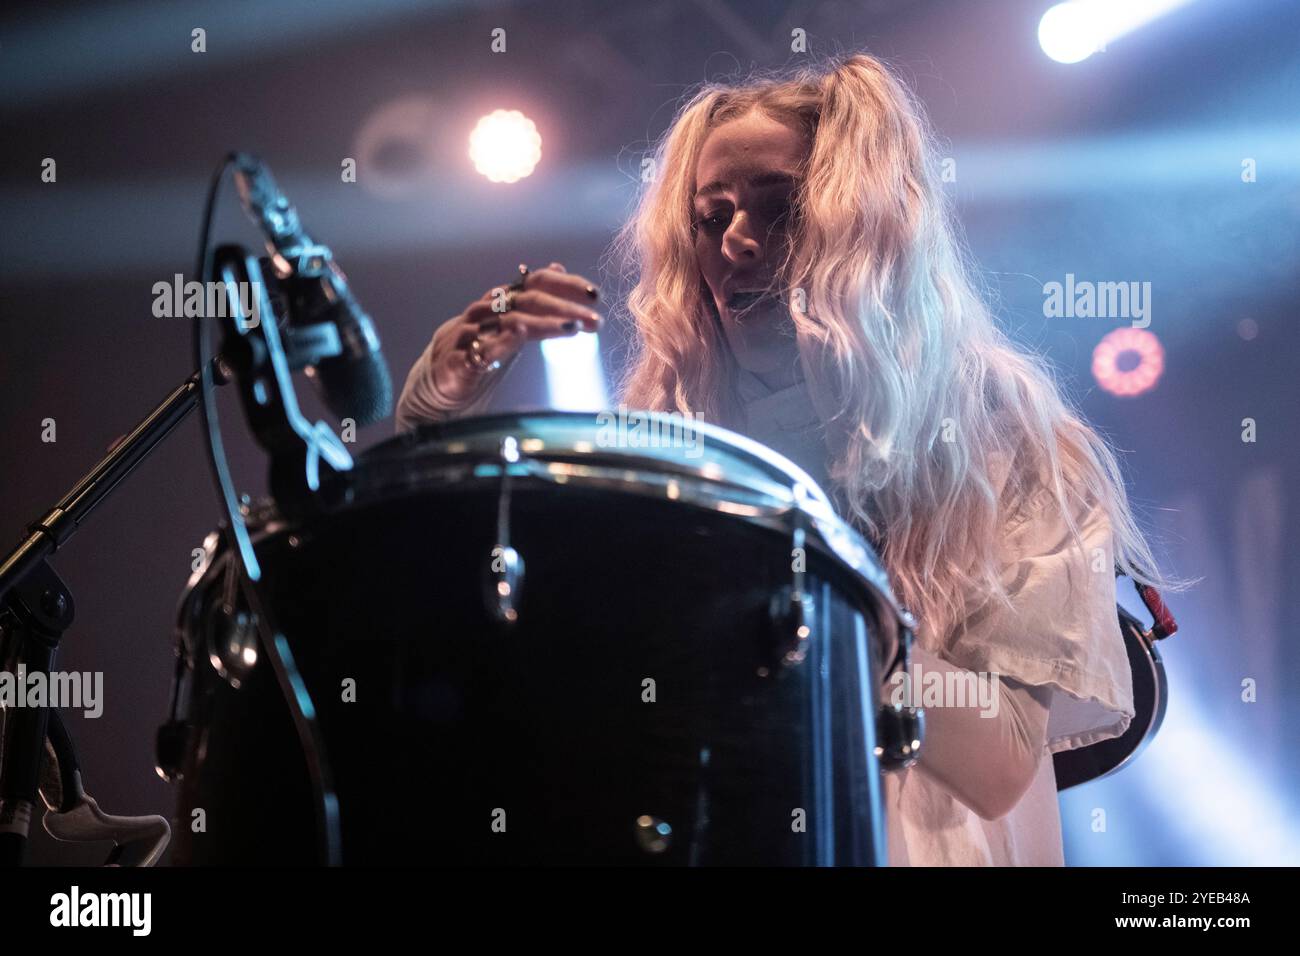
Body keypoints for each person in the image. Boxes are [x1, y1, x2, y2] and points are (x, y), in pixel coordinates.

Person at [395, 53, 1175, 865]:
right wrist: (436, 405)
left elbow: (1003, 763)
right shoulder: (669, 443)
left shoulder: (1003, 438)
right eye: (711, 216)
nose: (737, 239)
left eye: (782, 207)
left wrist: (797, 588)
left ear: (862, 225)